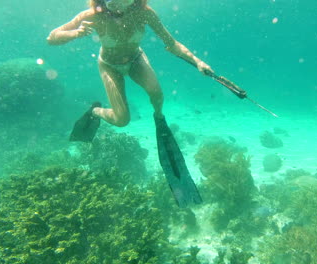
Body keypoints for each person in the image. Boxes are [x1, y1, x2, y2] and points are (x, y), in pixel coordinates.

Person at [47, 0, 207, 207]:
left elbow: (171, 43)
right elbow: (52, 37)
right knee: (122, 120)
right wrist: (75, 34)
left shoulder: (145, 13)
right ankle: (95, 111)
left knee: (157, 94)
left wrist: (198, 62)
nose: (118, 3)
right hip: (109, 65)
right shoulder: (91, 16)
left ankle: (159, 118)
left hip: (136, 60)